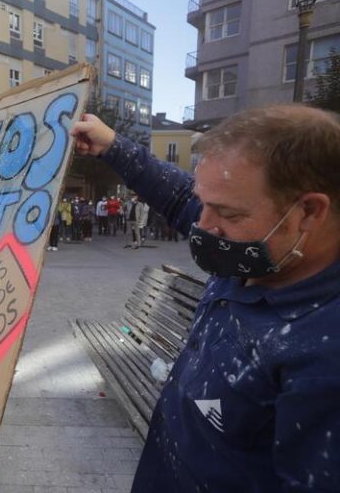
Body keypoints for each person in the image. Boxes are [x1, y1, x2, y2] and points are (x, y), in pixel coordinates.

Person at [71, 105, 340, 491]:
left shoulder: (325, 356)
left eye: (225, 212)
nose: (203, 226)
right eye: (205, 203)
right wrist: (112, 144)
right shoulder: (261, 250)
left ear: (309, 212)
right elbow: (180, 196)